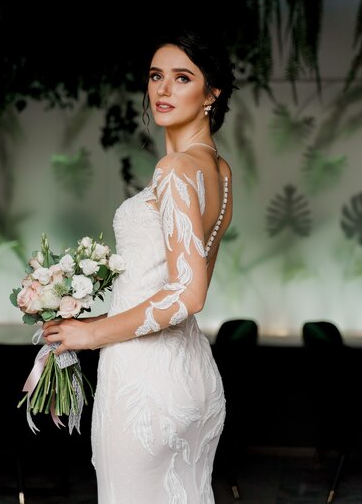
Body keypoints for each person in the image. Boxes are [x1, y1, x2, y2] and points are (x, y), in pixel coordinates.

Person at [43, 27, 236, 503]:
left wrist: (89, 334)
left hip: (144, 381)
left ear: (212, 92)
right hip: (194, 377)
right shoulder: (221, 173)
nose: (163, 89)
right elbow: (175, 282)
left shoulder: (174, 171)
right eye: (155, 76)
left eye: (182, 77)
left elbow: (189, 294)